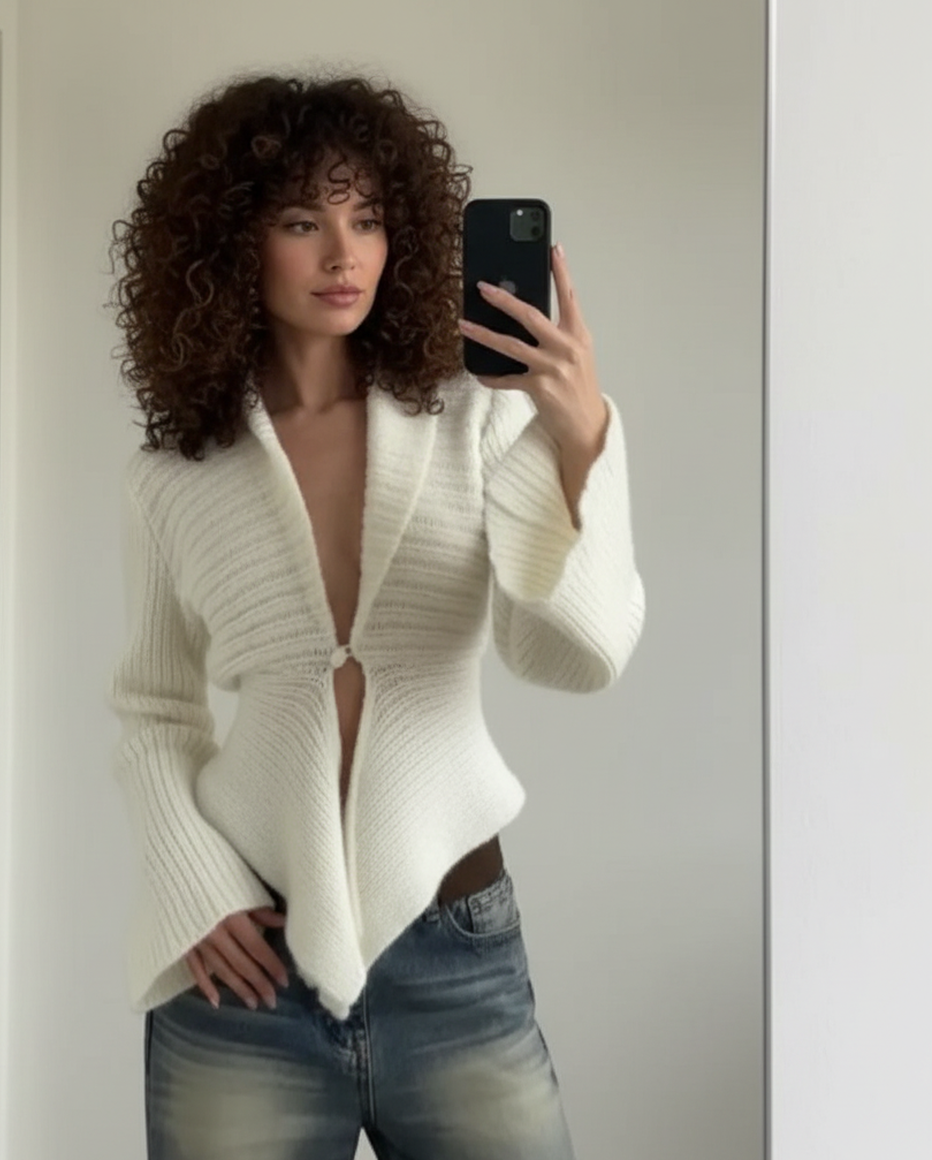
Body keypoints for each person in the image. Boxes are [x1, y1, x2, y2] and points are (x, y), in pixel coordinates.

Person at [107, 69, 644, 1160]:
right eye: (303, 221)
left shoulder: (473, 418)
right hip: (245, 971)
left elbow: (574, 653)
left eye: (367, 219)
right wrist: (195, 885)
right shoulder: (175, 474)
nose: (343, 254)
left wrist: (585, 439)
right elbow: (154, 707)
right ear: (233, 241)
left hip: (457, 951)